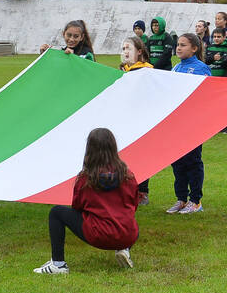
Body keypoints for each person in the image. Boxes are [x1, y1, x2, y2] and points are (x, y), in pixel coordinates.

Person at [34, 128, 139, 275]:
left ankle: (58, 264)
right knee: (128, 220)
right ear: (113, 147)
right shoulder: (128, 175)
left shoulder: (86, 178)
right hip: (128, 235)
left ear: (89, 148)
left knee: (56, 212)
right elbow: (134, 204)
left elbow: (77, 206)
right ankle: (124, 249)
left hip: (99, 235)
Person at [166, 33, 211, 214]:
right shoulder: (176, 68)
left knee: (192, 161)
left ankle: (195, 200)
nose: (178, 48)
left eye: (183, 45)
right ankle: (181, 199)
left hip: (193, 123)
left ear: (194, 48)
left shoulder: (202, 68)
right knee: (177, 162)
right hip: (176, 123)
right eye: (178, 44)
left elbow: (206, 95)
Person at [120, 35, 154, 205]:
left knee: (141, 156)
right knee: (125, 156)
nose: (126, 52)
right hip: (125, 119)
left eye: (129, 49)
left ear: (139, 51)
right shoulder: (123, 70)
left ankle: (142, 191)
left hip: (142, 120)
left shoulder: (147, 70)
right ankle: (125, 190)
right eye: (123, 49)